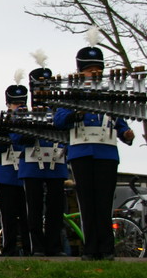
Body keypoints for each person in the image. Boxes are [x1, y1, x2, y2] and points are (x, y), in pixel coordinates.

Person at [54, 27, 134, 260]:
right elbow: (59, 119)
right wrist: (76, 114)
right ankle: (90, 249)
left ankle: (107, 249)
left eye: (98, 70)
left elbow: (119, 122)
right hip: (81, 152)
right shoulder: (72, 94)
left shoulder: (110, 94)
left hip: (107, 152)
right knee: (87, 202)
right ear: (81, 72)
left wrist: (126, 133)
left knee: (104, 202)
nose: (94, 73)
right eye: (90, 70)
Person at [13, 54, 69, 257]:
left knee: (56, 209)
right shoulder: (23, 112)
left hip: (56, 163)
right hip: (32, 164)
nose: (42, 91)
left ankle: (54, 246)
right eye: (39, 87)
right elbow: (15, 137)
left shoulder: (59, 111)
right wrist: (27, 134)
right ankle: (37, 246)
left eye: (46, 87)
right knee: (34, 209)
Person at [0, 75, 31, 256]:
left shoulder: (30, 121)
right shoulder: (0, 122)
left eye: (21, 104)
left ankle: (30, 249)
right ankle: (9, 249)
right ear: (8, 104)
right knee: (8, 216)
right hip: (5, 174)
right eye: (15, 104)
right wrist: (6, 133)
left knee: (27, 215)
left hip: (26, 173)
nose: (18, 107)